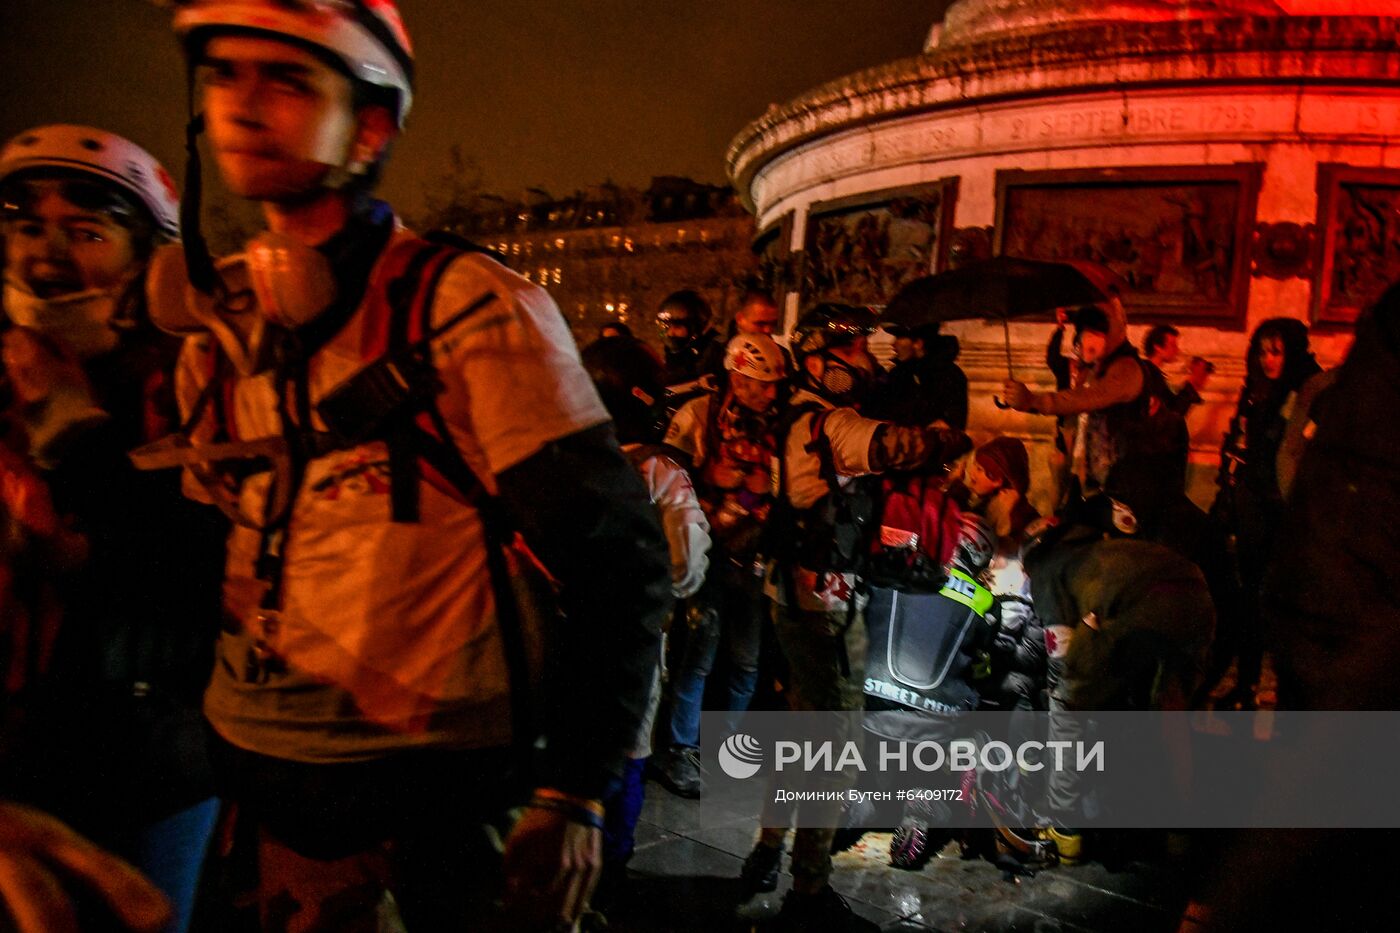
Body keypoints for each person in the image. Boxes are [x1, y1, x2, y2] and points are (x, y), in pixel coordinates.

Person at [154, 3, 672, 929]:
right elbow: (203, 565)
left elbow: (619, 560)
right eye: (224, 75)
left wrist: (573, 794)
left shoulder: (469, 307)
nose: (241, 103)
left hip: (440, 803)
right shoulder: (215, 329)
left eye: (287, 79)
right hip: (269, 791)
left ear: (375, 125)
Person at [0, 125, 224, 933]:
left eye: (85, 233)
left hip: (146, 767)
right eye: (28, 227)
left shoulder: (198, 386)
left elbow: (202, 580)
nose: (46, 257)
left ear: (149, 265)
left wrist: (74, 431)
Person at [739, 303, 969, 932]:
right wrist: (949, 435)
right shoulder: (832, 421)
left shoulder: (795, 414)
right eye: (860, 349)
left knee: (799, 732)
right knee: (831, 746)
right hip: (827, 605)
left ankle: (767, 848)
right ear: (824, 360)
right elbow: (896, 446)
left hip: (792, 594)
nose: (870, 360)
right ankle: (808, 890)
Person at [580, 336, 710, 918]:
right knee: (626, 757)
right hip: (631, 641)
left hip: (560, 636)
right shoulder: (660, 472)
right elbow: (683, 570)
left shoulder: (561, 461)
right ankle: (606, 882)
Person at [654, 333, 787, 798]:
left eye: (773, 385)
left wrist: (757, 489)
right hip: (708, 552)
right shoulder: (698, 415)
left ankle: (727, 747)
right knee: (698, 654)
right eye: (759, 384)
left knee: (746, 662)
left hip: (754, 554)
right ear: (736, 376)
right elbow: (667, 479)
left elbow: (782, 483)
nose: (769, 393)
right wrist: (710, 479)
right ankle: (679, 748)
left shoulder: (780, 424)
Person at [1212, 317, 1319, 710]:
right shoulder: (1257, 388)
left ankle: (1288, 691)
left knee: (1283, 603)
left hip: (1287, 511)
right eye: (1262, 351)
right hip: (1254, 505)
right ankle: (1246, 684)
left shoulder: (1310, 387)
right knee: (1250, 597)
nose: (1268, 359)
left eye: (1276, 351)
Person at [1005, 302, 1180, 497]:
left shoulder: (1126, 368)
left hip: (1121, 482)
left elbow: (1087, 398)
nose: (1087, 339)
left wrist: (1033, 400)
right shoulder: (1099, 367)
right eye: (1084, 332)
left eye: (1094, 330)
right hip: (1097, 473)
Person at [866, 322, 968, 429]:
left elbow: (951, 421)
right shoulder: (899, 372)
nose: (893, 344)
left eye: (899, 338)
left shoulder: (949, 375)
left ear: (918, 343)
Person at [657, 288, 722, 385]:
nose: (670, 333)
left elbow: (686, 376)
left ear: (696, 327)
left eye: (677, 327)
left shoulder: (713, 351)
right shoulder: (677, 352)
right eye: (667, 327)